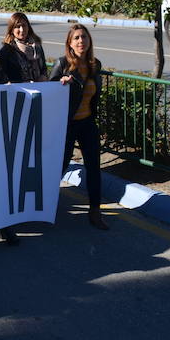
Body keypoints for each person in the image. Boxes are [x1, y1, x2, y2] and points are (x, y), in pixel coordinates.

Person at [50, 24, 108, 231]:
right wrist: (60, 82)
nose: (81, 41)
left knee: (93, 167)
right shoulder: (62, 63)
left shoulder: (95, 64)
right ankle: (44, 207)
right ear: (70, 43)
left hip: (87, 122)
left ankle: (95, 211)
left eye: (84, 37)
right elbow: (49, 90)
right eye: (76, 38)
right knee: (59, 166)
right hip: (67, 124)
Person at [0, 12, 48, 83]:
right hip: (18, 91)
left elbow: (43, 68)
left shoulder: (37, 46)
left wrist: (43, 76)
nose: (22, 30)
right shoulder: (7, 50)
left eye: (24, 25)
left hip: (38, 88)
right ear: (12, 29)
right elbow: (1, 75)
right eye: (18, 26)